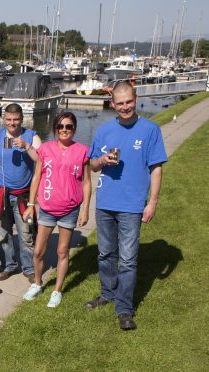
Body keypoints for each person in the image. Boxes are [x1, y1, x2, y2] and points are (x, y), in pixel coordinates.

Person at [85, 81, 166, 330]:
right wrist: (102, 160)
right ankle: (108, 293)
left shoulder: (150, 130)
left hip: (132, 205)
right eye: (119, 103)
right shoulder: (104, 130)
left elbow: (156, 168)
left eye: (128, 102)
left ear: (136, 98)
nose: (124, 107)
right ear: (113, 104)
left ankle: (124, 309)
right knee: (106, 253)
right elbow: (92, 165)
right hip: (106, 202)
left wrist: (152, 202)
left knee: (128, 260)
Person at [22, 111, 91, 308]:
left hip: (70, 209)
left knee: (62, 251)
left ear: (74, 129)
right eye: (60, 126)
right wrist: (31, 204)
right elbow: (37, 177)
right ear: (55, 129)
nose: (64, 130)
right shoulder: (45, 149)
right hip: (47, 208)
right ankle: (37, 283)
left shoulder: (82, 151)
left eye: (69, 126)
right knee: (38, 252)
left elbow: (86, 182)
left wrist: (85, 209)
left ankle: (57, 290)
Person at [0, 103, 41, 283]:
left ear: (21, 119)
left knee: (26, 234)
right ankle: (9, 265)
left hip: (23, 196)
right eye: (9, 120)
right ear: (4, 119)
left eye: (16, 120)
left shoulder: (32, 137)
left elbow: (41, 162)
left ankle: (28, 268)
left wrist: (26, 146)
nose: (13, 124)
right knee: (3, 233)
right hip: (2, 195)